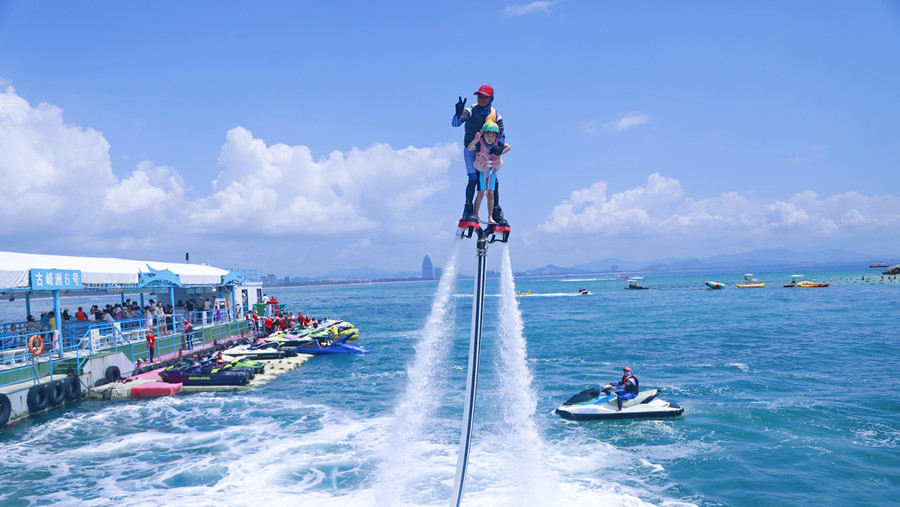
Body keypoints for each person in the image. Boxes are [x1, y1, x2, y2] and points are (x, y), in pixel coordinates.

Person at [452, 84, 508, 224]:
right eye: (479, 96)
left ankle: (495, 212)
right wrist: (458, 114)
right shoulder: (470, 110)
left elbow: (502, 134)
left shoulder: (496, 115)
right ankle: (468, 210)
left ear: (491, 99)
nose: (481, 99)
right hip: (471, 149)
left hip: (487, 153)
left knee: (494, 182)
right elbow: (455, 124)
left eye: (485, 97)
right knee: (473, 179)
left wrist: (499, 147)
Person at [467, 121, 510, 223]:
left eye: (492, 136)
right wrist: (476, 139)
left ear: (496, 136)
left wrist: (499, 153)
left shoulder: (498, 143)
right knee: (481, 193)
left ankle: (490, 217)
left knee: (491, 194)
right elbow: (469, 148)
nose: (490, 138)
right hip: (482, 171)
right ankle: (476, 214)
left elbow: (509, 147)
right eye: (487, 135)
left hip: (492, 172)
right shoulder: (480, 143)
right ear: (484, 135)